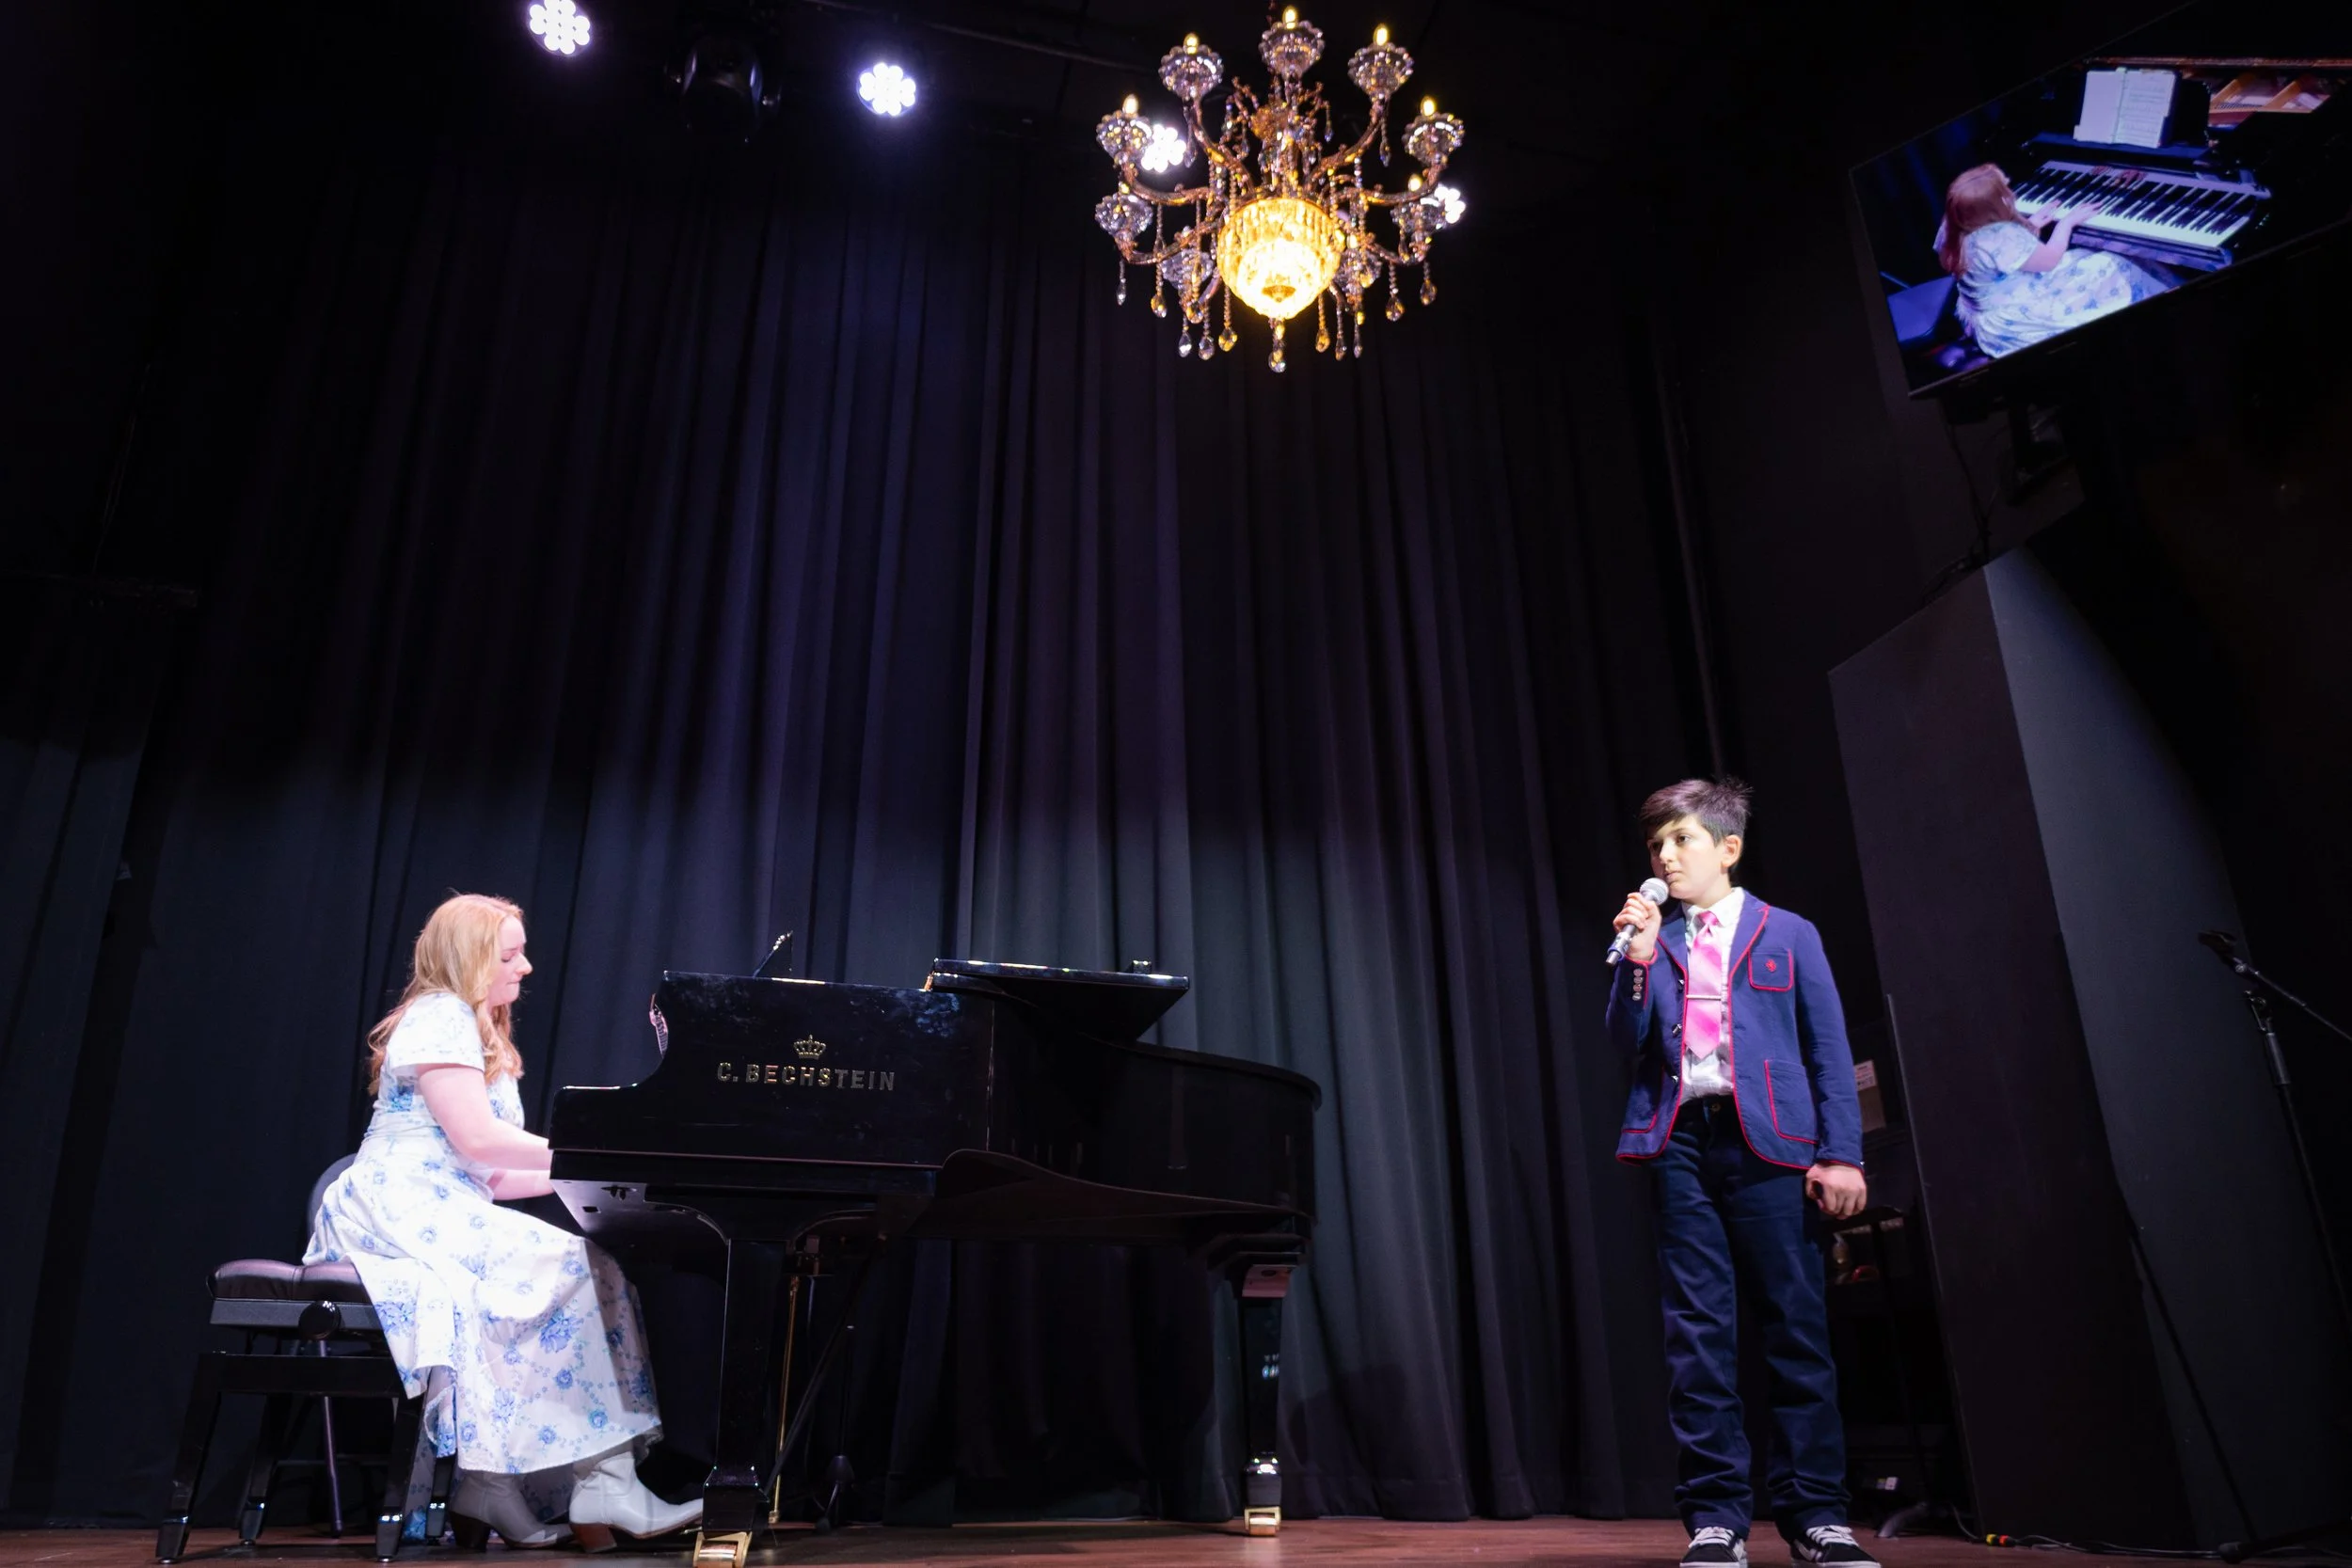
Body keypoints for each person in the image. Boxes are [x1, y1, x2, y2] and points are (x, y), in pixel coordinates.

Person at [307, 894, 700, 1550]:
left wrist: (599, 1175)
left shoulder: (481, 1032)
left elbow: (488, 1175)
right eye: (510, 953)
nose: (527, 966)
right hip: (398, 1204)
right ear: (471, 958)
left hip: (448, 1200)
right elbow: (480, 1140)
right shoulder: (438, 1015)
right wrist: (590, 1155)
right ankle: (605, 1480)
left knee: (584, 1264)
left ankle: (488, 1481)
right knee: (574, 1265)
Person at [1604, 780, 1874, 1568]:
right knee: (1699, 1336)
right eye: (1656, 843)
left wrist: (1842, 1151)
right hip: (1681, 1140)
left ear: (1728, 847)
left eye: (1681, 839)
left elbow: (1826, 1049)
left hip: (1770, 1146)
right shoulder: (1656, 938)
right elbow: (1625, 1036)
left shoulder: (1788, 933)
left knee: (1796, 1327)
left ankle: (1817, 1513)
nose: (1665, 855)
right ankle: (1716, 1516)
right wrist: (1642, 956)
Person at [1936, 161, 2169, 357]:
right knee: (2112, 265)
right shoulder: (2001, 235)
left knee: (2091, 261)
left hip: (1983, 312)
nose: (2011, 195)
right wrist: (2066, 222)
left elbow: (1993, 257)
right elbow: (2050, 259)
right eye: (2005, 194)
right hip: (2014, 319)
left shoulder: (1952, 227)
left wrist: (2032, 225)